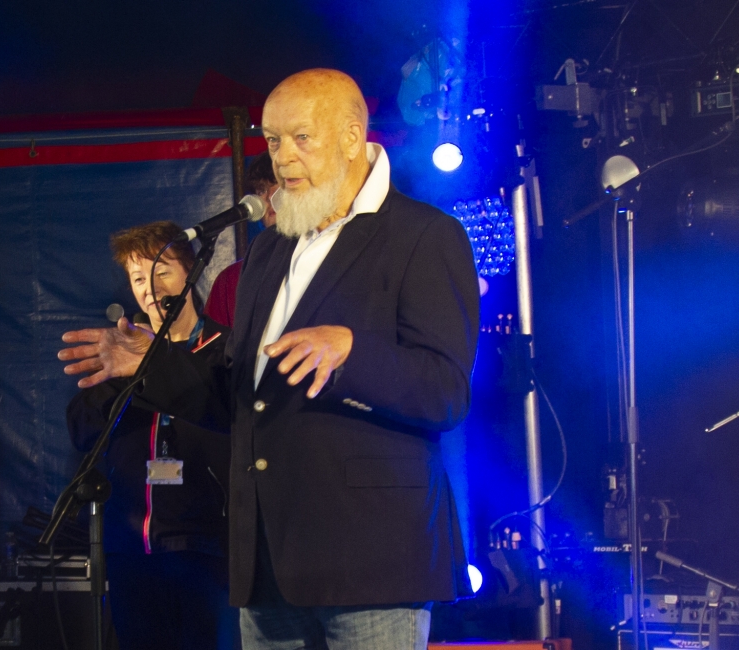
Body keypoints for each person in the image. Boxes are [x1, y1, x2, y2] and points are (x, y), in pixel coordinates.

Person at [61, 68, 478, 649]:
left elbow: (446, 392)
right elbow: (236, 393)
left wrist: (353, 351)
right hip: (267, 563)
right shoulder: (269, 252)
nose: (282, 157)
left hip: (372, 562)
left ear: (352, 137)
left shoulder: (423, 235)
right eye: (274, 140)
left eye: (301, 138)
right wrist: (148, 367)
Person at [67, 221, 236, 650]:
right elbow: (81, 432)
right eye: (138, 278)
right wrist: (124, 375)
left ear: (191, 273)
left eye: (162, 272)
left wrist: (164, 367)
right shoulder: (119, 351)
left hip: (207, 549)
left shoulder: (225, 349)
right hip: (132, 549)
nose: (151, 288)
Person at [205, 153, 279, 329]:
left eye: (280, 186)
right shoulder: (231, 280)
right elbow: (213, 343)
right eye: (261, 190)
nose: (270, 197)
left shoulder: (327, 262)